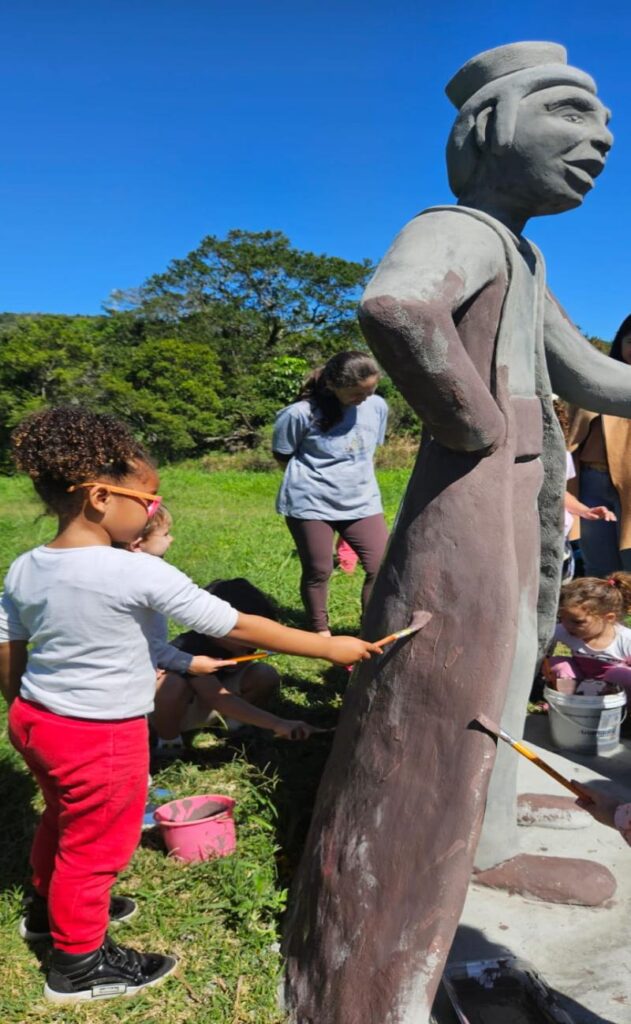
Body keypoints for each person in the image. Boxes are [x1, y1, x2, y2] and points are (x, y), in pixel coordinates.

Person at [0, 406, 380, 1005]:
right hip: (99, 735)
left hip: (35, 721)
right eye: (148, 501)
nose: (153, 512)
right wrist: (328, 647)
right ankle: (77, 965)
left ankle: (52, 914)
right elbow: (236, 622)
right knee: (96, 848)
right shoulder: (135, 571)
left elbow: (9, 645)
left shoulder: (28, 565)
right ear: (101, 497)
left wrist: (19, 706)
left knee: (62, 820)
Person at [129, 508, 321, 745]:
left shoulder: (241, 647)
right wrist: (277, 723)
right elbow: (218, 698)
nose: (249, 641)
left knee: (264, 674)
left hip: (213, 701)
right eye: (242, 633)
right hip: (184, 707)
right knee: (173, 685)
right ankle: (169, 741)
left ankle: (235, 726)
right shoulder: (192, 648)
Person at [272, 350, 389, 635]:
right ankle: (320, 633)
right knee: (319, 570)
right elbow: (283, 455)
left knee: (382, 567)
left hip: (362, 501)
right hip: (310, 502)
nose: (364, 399)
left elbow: (370, 449)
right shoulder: (299, 413)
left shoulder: (377, 406)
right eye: (356, 394)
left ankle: (372, 630)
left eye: (370, 390)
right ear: (332, 386)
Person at [566, 313, 631, 576]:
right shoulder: (597, 379)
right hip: (592, 481)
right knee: (599, 565)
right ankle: (602, 616)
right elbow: (571, 430)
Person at [545, 573, 631, 699]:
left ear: (609, 618)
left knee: (619, 674)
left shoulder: (625, 640)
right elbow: (542, 648)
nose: (567, 625)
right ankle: (569, 701)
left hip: (615, 692)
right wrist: (546, 663)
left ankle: (621, 709)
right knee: (559, 664)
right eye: (561, 618)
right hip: (581, 682)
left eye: (578, 622)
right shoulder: (564, 631)